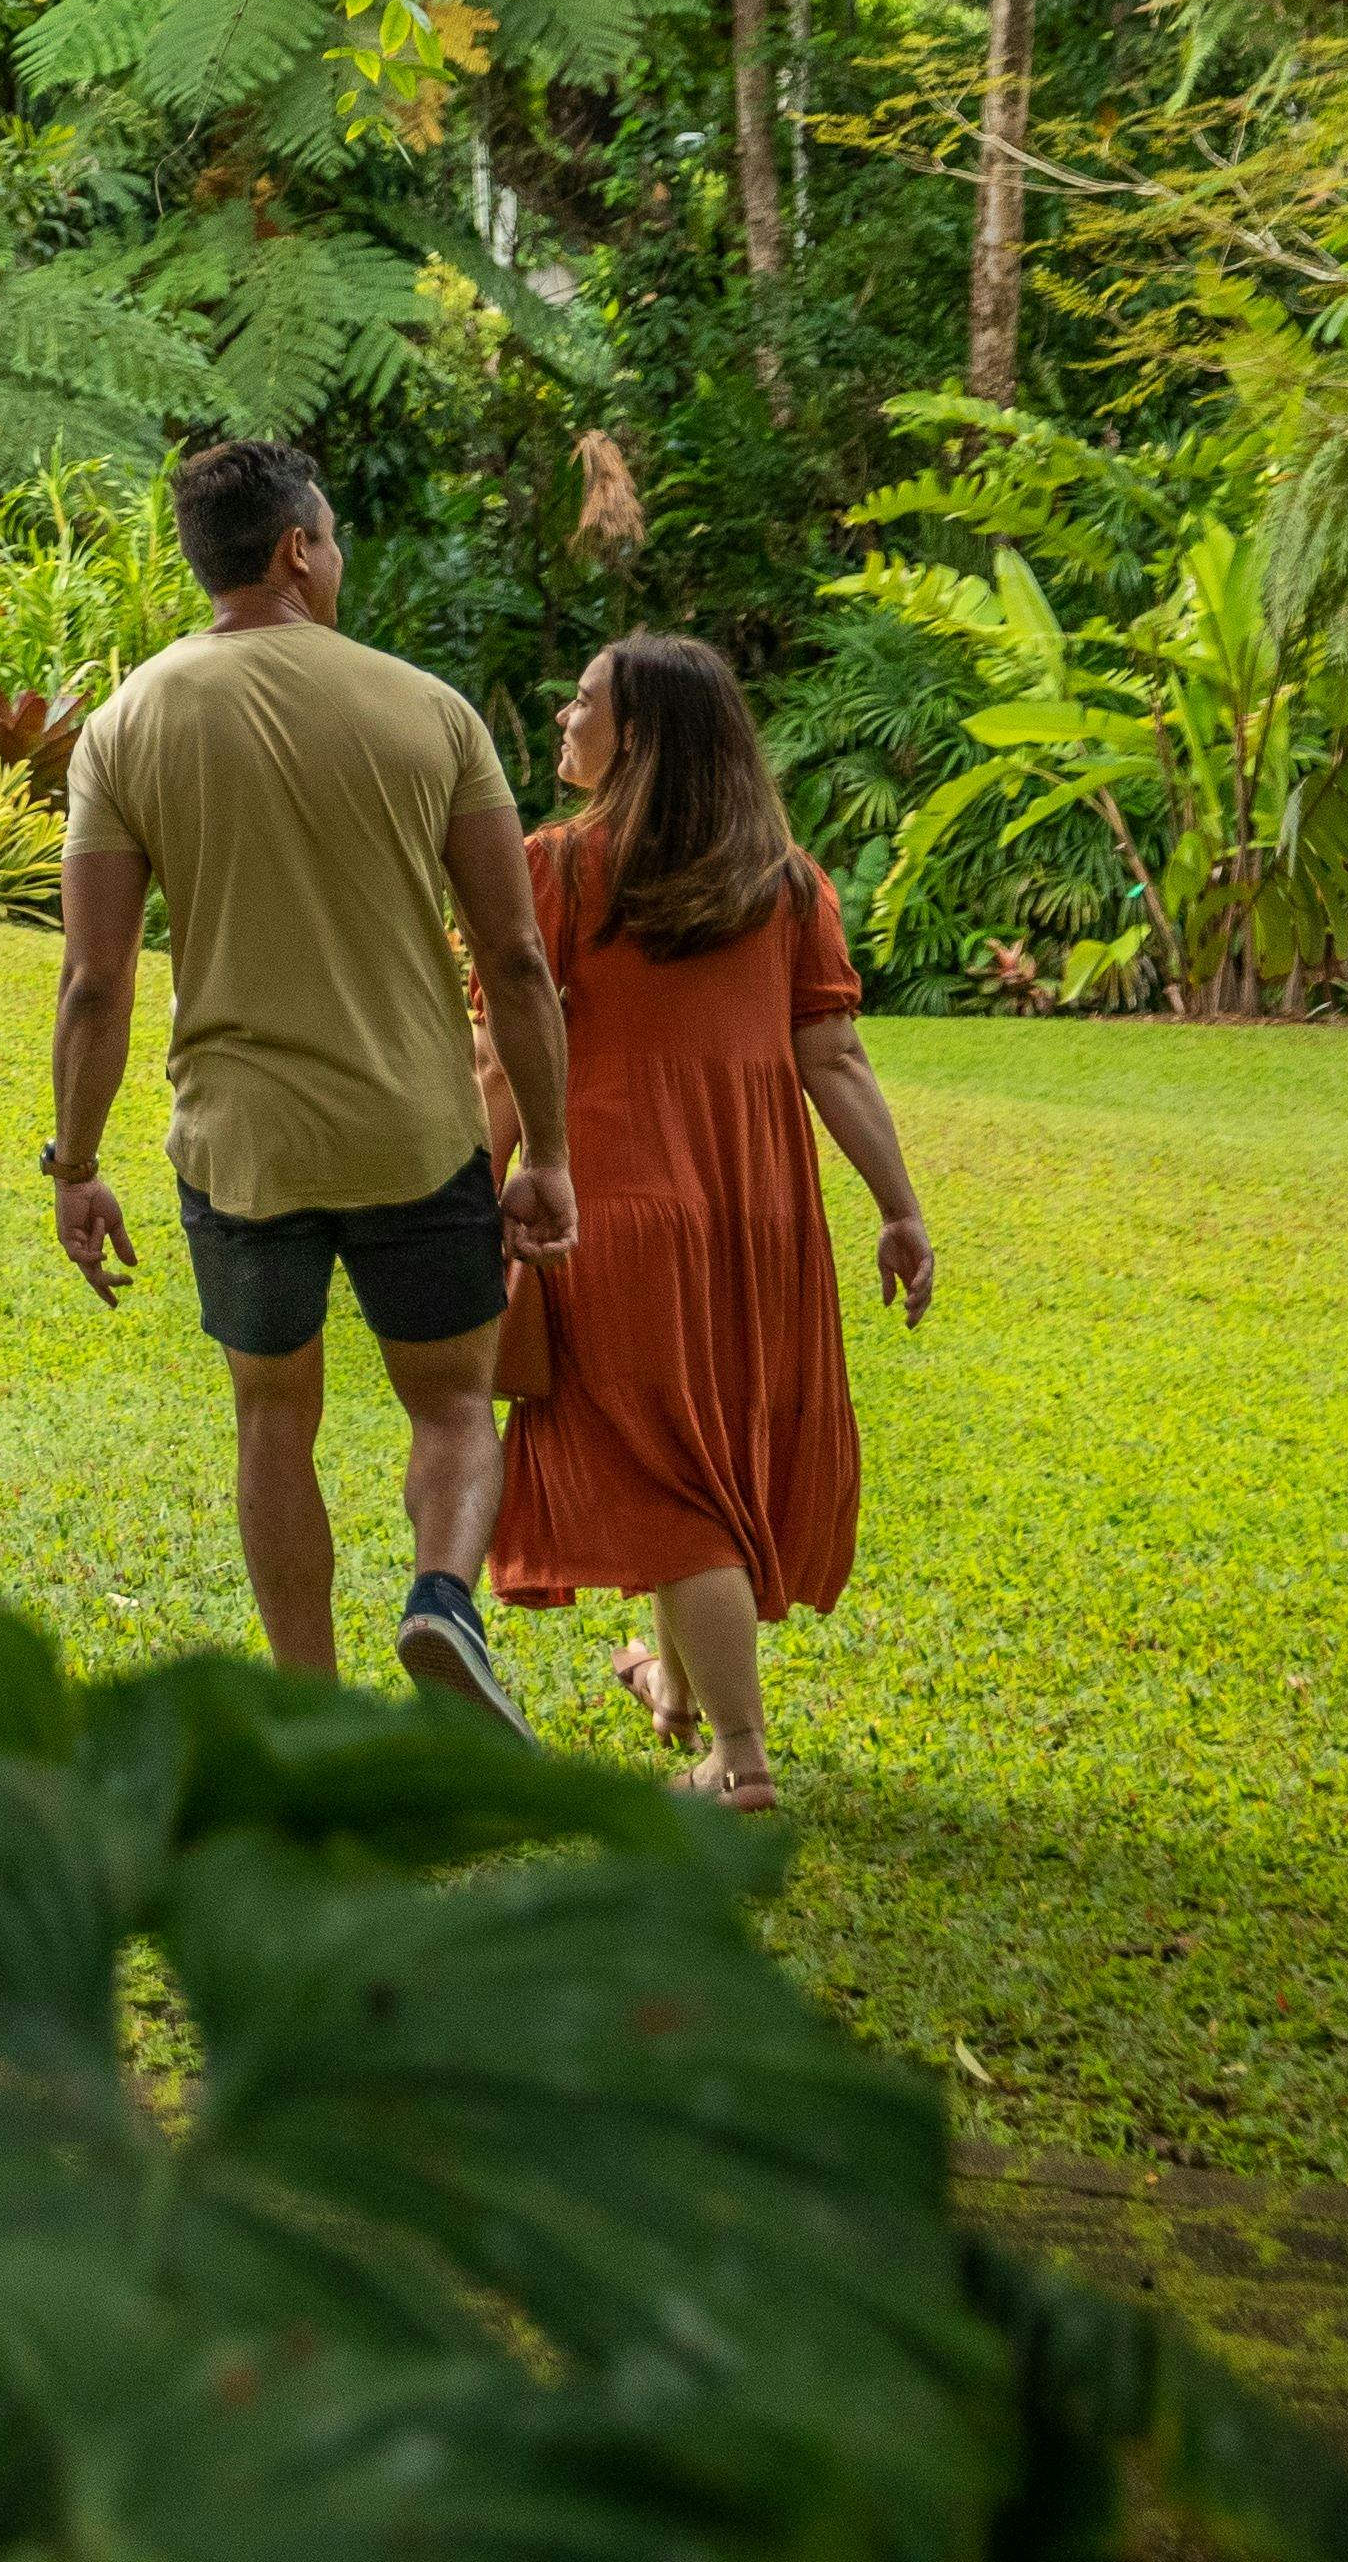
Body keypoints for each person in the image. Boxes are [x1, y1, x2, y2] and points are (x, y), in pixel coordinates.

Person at [45, 435, 581, 1733]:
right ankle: (442, 1597)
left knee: (272, 1416)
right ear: (298, 548)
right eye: (331, 539)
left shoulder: (128, 724)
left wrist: (75, 1163)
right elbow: (514, 956)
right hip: (414, 1129)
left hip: (241, 1146)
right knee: (452, 1402)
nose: (334, 559)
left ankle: (310, 1710)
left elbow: (96, 986)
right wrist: (548, 1152)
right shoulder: (430, 710)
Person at [489, 630, 941, 1810]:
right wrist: (899, 1209)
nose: (564, 719)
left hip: (614, 1207)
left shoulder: (558, 870)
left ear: (634, 734)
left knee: (674, 1480)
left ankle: (738, 1759)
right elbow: (832, 1055)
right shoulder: (785, 883)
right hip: (760, 1221)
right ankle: (676, 1694)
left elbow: (499, 1059)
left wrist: (475, 1188)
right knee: (696, 1445)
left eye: (581, 702)